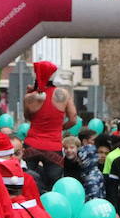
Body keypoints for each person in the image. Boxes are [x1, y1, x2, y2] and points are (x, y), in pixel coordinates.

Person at [22, 61, 79, 189]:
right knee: (54, 185)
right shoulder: (63, 94)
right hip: (53, 146)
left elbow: (28, 118)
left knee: (26, 180)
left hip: (32, 144)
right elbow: (73, 119)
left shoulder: (29, 97)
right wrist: (61, 128)